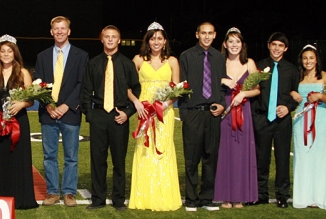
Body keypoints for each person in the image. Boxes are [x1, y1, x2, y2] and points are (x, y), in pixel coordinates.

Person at [81, 25, 140, 211]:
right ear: (102, 39)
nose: (110, 40)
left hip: (119, 116)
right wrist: (90, 115)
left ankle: (118, 199)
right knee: (98, 160)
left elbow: (136, 89)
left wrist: (128, 113)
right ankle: (98, 198)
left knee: (119, 161)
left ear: (119, 40)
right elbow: (85, 91)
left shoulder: (127, 64)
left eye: (114, 37)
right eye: (107, 36)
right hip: (99, 115)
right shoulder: (93, 63)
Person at [33, 16, 88, 207]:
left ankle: (69, 193)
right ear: (51, 31)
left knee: (71, 156)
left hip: (70, 112)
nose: (59, 31)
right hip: (48, 113)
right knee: (49, 155)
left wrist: (66, 106)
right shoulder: (42, 56)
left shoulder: (81, 55)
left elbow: (82, 84)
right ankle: (52, 192)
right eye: (56, 28)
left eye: (63, 28)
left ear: (69, 31)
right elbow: (38, 84)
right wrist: (49, 105)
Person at [126, 22, 182, 211]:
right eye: (152, 38)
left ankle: (164, 195)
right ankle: (144, 197)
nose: (156, 42)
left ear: (165, 40)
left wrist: (165, 103)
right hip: (143, 112)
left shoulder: (172, 61)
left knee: (163, 149)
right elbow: (127, 86)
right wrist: (136, 102)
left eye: (159, 38)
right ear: (147, 41)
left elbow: (177, 89)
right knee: (145, 149)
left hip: (164, 114)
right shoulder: (138, 60)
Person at [177, 21, 226, 212]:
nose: (206, 36)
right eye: (203, 33)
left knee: (210, 157)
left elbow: (222, 85)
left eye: (210, 33)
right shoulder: (186, 56)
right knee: (191, 158)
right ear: (197, 34)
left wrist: (222, 104)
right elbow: (182, 86)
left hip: (212, 113)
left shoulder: (219, 57)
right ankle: (191, 198)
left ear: (214, 35)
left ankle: (207, 197)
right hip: (193, 113)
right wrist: (185, 114)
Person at [248, 32, 299, 208]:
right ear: (269, 45)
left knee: (282, 158)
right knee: (261, 158)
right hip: (263, 118)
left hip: (282, 120)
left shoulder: (292, 70)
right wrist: (256, 116)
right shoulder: (259, 67)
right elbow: (253, 92)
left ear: (285, 48)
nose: (277, 48)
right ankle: (261, 194)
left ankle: (282, 195)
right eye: (274, 44)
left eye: (280, 45)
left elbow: (296, 94)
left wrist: (288, 107)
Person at [0, 34, 39, 210]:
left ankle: (21, 197)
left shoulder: (23, 72)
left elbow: (32, 99)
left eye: (9, 51)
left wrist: (22, 104)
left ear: (15, 52)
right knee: (0, 158)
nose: (6, 54)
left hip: (19, 121)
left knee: (18, 158)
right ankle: (1, 196)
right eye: (3, 51)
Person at [213, 27, 259, 209]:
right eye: (231, 41)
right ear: (225, 44)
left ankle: (240, 195)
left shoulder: (249, 63)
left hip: (243, 110)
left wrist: (244, 93)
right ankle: (225, 195)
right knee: (225, 152)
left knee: (241, 153)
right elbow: (207, 83)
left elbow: (257, 89)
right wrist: (222, 81)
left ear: (242, 44)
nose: (234, 45)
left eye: (237, 41)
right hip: (225, 110)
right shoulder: (219, 62)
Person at [291, 45, 326, 210]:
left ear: (316, 60)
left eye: (311, 58)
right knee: (302, 157)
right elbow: (290, 92)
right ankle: (302, 197)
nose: (308, 61)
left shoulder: (325, 77)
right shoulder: (297, 76)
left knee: (318, 157)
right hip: (301, 121)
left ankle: (317, 196)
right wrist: (292, 94)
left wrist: (320, 96)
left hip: (319, 121)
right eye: (305, 58)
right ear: (301, 60)